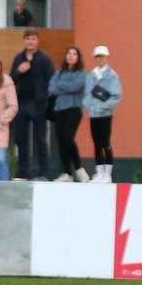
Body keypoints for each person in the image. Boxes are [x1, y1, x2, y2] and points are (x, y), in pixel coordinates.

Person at [10, 27, 55, 180]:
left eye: (33, 38)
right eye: (28, 38)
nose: (31, 41)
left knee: (40, 139)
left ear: (38, 41)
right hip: (21, 103)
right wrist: (19, 71)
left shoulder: (44, 59)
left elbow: (52, 81)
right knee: (21, 140)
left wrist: (45, 99)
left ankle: (43, 172)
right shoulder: (18, 58)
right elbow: (10, 80)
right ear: (24, 40)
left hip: (38, 104)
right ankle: (23, 172)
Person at [49, 46, 89, 183]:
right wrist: (65, 85)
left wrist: (61, 85)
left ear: (78, 58)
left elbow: (76, 87)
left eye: (74, 54)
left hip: (73, 108)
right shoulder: (59, 73)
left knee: (68, 138)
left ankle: (78, 168)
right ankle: (67, 173)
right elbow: (51, 88)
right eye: (69, 53)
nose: (71, 56)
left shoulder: (82, 73)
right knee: (61, 141)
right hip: (59, 109)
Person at [83, 46, 122, 183]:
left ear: (107, 58)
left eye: (102, 56)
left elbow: (116, 96)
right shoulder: (91, 75)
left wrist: (103, 107)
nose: (100, 59)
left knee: (105, 142)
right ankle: (99, 172)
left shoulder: (112, 76)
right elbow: (87, 94)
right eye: (98, 57)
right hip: (93, 114)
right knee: (96, 143)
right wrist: (89, 105)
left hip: (105, 114)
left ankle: (108, 173)